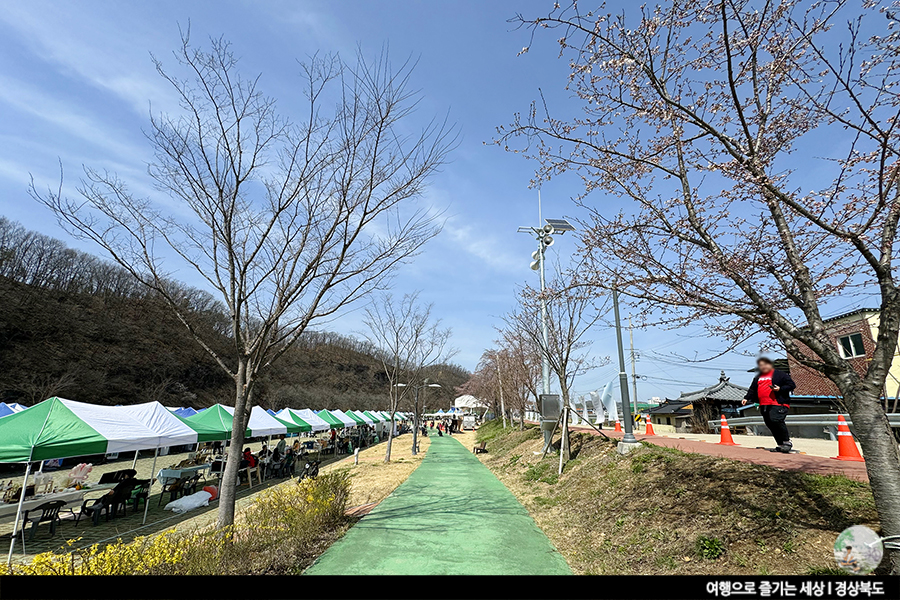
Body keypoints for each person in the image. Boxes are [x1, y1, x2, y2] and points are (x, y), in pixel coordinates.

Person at [742, 356, 797, 453]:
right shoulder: (758, 378)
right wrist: (746, 398)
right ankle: (780, 444)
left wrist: (779, 389)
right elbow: (752, 389)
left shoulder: (780, 375)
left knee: (775, 419)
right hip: (764, 404)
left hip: (778, 403)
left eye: (765, 364)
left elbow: (791, 385)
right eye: (761, 365)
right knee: (770, 423)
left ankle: (786, 442)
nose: (763, 367)